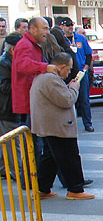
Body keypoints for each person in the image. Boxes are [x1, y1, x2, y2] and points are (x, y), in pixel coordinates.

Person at [31, 52, 93, 200]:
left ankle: (42, 188)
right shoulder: (50, 78)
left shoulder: (45, 77)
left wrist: (68, 87)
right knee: (70, 157)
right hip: (57, 126)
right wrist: (74, 87)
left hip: (49, 124)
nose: (69, 73)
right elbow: (67, 100)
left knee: (50, 157)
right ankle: (75, 189)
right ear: (62, 66)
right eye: (68, 69)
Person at [60, 17, 94, 132]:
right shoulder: (61, 39)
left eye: (72, 25)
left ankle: (88, 123)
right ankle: (69, 123)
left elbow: (89, 54)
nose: (70, 27)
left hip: (80, 73)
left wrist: (86, 67)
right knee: (67, 99)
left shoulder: (80, 38)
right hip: (67, 73)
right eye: (68, 25)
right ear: (62, 27)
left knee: (85, 99)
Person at [0, 33, 23, 180]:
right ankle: (17, 173)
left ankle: (6, 169)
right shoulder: (4, 64)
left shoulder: (10, 62)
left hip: (10, 108)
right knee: (12, 143)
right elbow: (4, 87)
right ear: (14, 50)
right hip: (7, 109)